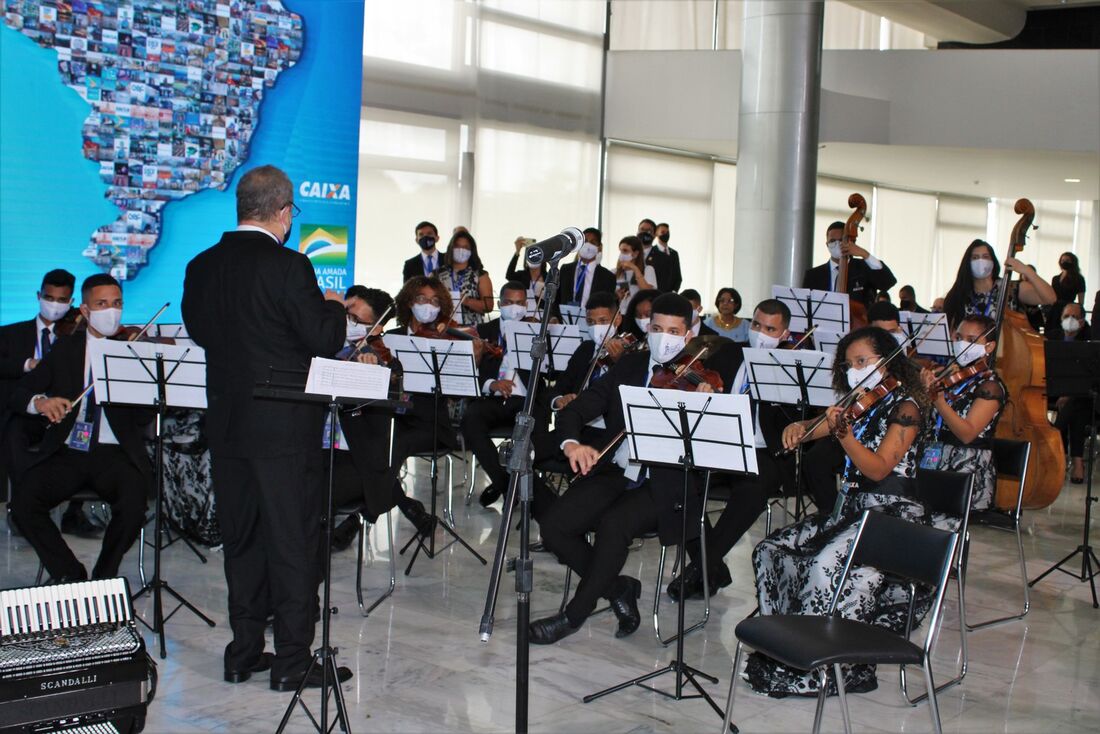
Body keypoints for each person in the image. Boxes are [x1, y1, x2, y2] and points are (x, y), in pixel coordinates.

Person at [181, 165, 351, 691]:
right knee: (291, 541)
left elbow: (200, 331)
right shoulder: (289, 265)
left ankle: (243, 652)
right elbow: (322, 338)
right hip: (283, 427)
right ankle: (293, 660)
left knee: (243, 539)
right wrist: (335, 309)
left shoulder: (200, 265)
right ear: (282, 212)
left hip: (228, 424)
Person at [746, 325, 931, 696]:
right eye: (848, 364)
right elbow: (817, 428)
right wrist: (801, 425)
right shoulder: (862, 403)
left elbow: (878, 470)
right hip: (850, 512)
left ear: (887, 361)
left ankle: (830, 664)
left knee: (823, 564)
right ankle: (787, 648)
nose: (854, 370)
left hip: (891, 515)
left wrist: (844, 435)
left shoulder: (906, 407)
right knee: (771, 550)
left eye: (862, 361)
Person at [529, 293, 714, 644]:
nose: (663, 338)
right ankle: (618, 588)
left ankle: (572, 616)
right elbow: (578, 409)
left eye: (674, 332)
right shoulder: (629, 366)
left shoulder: (698, 379)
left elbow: (711, 448)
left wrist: (706, 406)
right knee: (554, 527)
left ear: (688, 335)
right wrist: (572, 444)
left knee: (614, 526)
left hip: (665, 483)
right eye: (657, 329)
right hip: (617, 469)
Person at [8, 274, 151, 584]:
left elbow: (142, 419)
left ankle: (104, 577)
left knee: (134, 505)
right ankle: (69, 574)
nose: (111, 311)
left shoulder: (132, 351)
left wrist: (139, 377)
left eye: (117, 304)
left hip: (115, 453)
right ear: (85, 310)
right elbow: (20, 393)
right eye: (102, 304)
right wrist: (40, 403)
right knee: (23, 504)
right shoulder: (66, 349)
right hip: (69, 450)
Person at [668, 299, 796, 600]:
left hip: (763, 450)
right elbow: (697, 380)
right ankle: (713, 569)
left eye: (770, 329)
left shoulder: (789, 367)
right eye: (756, 325)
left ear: (785, 334)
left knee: (752, 491)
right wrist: (705, 390)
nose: (760, 333)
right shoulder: (729, 353)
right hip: (720, 443)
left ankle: (699, 568)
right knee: (676, 485)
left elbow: (794, 421)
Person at [329, 286, 434, 550]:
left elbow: (390, 416)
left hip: (353, 462)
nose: (346, 320)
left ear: (375, 329)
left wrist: (371, 377)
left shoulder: (381, 362)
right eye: (344, 311)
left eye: (355, 318)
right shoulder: (324, 345)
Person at [0, 269, 98, 538]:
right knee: (14, 432)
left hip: (68, 411)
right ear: (38, 296)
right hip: (29, 412)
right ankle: (22, 506)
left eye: (62, 300)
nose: (54, 305)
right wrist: (27, 364)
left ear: (72, 302)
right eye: (49, 297)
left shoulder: (78, 336)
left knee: (87, 432)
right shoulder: (11, 333)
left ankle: (73, 513)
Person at [460, 282, 549, 508]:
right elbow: (469, 372)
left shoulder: (537, 330)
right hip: (493, 398)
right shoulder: (483, 331)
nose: (514, 307)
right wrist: (492, 384)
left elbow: (552, 372)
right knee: (470, 420)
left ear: (527, 305)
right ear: (500, 304)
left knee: (538, 428)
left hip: (526, 399)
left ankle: (528, 490)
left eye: (519, 303)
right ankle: (505, 483)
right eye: (509, 302)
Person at [918, 314, 1006, 509]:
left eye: (971, 340)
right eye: (958, 337)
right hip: (933, 458)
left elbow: (967, 434)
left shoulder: (990, 386)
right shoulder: (953, 378)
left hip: (966, 468)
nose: (962, 344)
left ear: (989, 347)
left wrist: (939, 402)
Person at [942, 239, 1056, 329]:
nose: (980, 261)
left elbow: (1050, 298)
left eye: (985, 257)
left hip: (1008, 350)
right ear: (967, 263)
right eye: (975, 258)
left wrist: (1026, 270)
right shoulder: (958, 294)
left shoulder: (1010, 288)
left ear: (993, 261)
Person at [1048, 302, 1094, 484]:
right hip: (1053, 389)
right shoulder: (1052, 337)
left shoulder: (1089, 339)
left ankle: (1057, 445)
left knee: (1076, 404)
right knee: (1074, 407)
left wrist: (1068, 394)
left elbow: (1089, 376)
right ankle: (1077, 461)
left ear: (1082, 321)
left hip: (1079, 393)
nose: (1069, 320)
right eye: (1066, 316)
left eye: (1074, 317)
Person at [801, 221, 897, 307]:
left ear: (849, 241)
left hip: (859, 321)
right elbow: (805, 304)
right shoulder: (813, 275)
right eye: (832, 241)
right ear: (827, 244)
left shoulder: (864, 267)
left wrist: (864, 254)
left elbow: (888, 283)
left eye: (841, 240)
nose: (837, 244)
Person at [437, 229, 494, 326]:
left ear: (471, 251)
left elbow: (489, 306)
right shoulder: (437, 274)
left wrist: (467, 301)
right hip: (443, 327)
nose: (461, 250)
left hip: (472, 330)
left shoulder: (480, 275)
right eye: (457, 246)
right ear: (451, 248)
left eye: (465, 247)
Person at [559, 228, 616, 307]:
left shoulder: (608, 277)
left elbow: (607, 305)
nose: (587, 245)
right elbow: (557, 298)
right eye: (585, 241)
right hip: (565, 314)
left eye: (593, 242)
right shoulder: (565, 269)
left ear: (599, 247)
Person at [615, 236, 656, 311]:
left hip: (638, 313)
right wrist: (617, 295)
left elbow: (648, 293)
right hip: (620, 312)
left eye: (625, 251)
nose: (621, 254)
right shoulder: (615, 272)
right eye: (620, 251)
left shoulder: (648, 270)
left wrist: (635, 269)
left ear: (636, 254)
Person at [505, 236, 547, 303]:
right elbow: (509, 275)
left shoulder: (548, 276)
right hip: (525, 308)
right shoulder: (522, 275)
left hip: (543, 309)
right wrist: (517, 251)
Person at [636, 218, 671, 293]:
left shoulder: (663, 258)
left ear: (654, 235)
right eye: (642, 229)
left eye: (648, 231)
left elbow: (664, 285)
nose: (644, 232)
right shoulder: (630, 254)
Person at [653, 222, 682, 292]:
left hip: (670, 294)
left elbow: (678, 277)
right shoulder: (652, 251)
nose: (666, 234)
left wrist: (674, 291)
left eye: (668, 232)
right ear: (656, 234)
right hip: (655, 294)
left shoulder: (674, 254)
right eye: (663, 232)